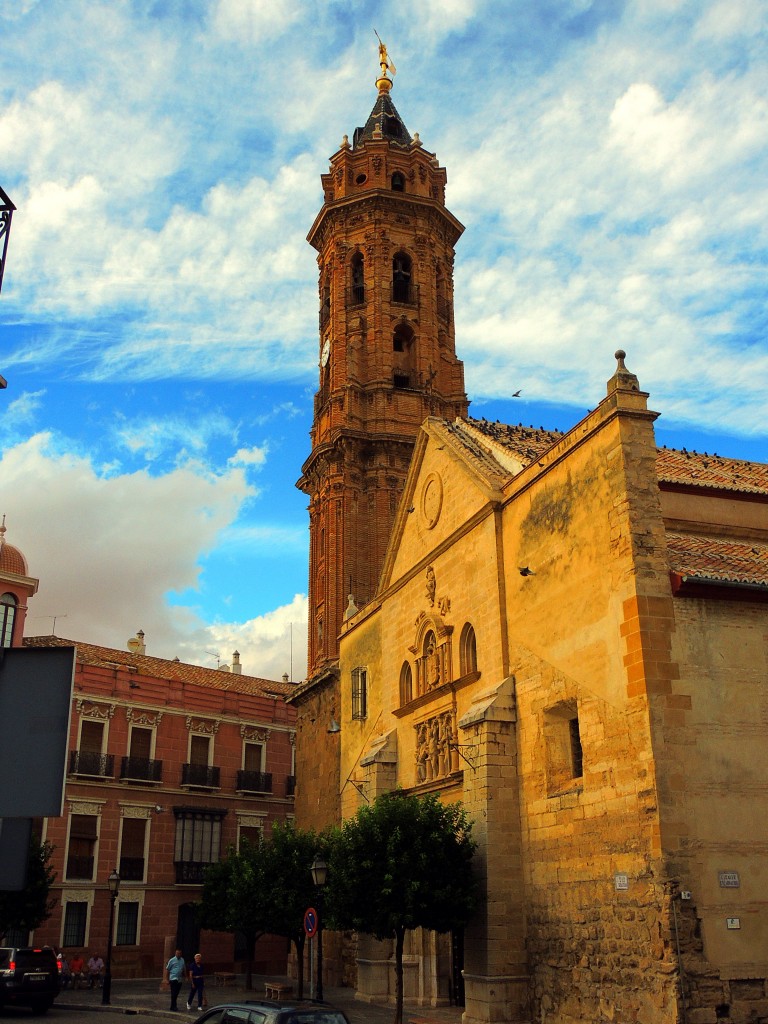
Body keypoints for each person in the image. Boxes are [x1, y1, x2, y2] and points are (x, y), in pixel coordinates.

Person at [166, 947, 186, 1012]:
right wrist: (167, 979)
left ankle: (172, 1006)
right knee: (173, 993)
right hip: (173, 978)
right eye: (177, 953)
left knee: (176, 993)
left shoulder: (182, 960)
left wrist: (186, 976)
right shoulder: (172, 960)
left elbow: (184, 968)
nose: (178, 954)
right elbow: (168, 970)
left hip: (179, 979)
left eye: (179, 953)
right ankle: (174, 1006)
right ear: (175, 953)